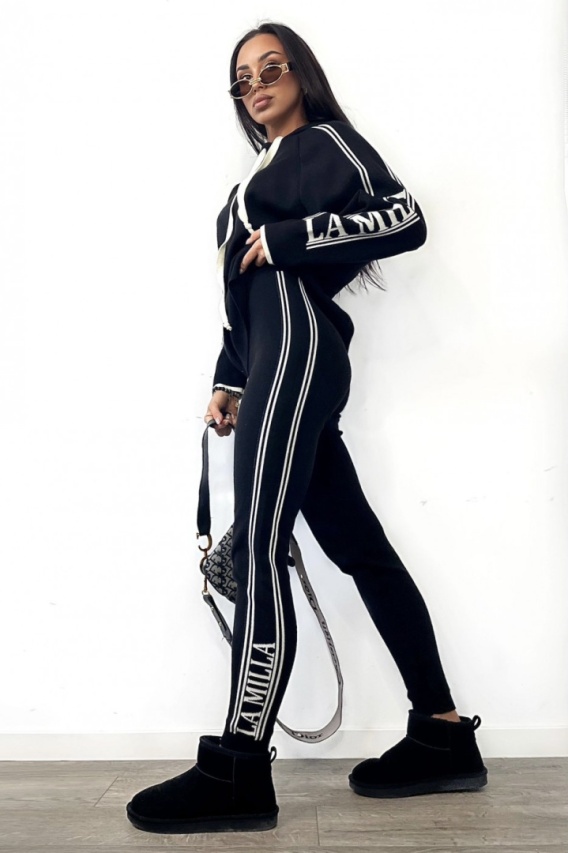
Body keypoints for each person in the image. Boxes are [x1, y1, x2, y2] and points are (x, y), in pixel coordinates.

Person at [126, 21, 488, 836]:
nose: (256, 86)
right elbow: (242, 301)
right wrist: (229, 380)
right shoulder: (250, 180)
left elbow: (405, 218)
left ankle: (238, 767)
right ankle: (441, 731)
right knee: (360, 548)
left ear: (301, 74)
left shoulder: (327, 142)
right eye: (243, 79)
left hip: (299, 353)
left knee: (259, 547)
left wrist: (290, 238)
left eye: (271, 68)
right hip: (274, 363)